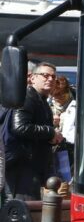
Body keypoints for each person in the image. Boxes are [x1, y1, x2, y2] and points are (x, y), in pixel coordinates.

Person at [4, 61, 63, 199]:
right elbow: (20, 127)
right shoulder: (28, 97)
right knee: (23, 212)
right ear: (33, 78)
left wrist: (52, 138)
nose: (50, 79)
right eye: (45, 75)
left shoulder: (40, 99)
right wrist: (50, 132)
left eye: (53, 77)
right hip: (22, 168)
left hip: (31, 166)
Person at [50, 74, 76, 194]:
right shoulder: (49, 105)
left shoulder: (76, 104)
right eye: (54, 96)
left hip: (71, 148)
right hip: (54, 148)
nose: (57, 98)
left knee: (66, 182)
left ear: (67, 92)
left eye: (60, 95)